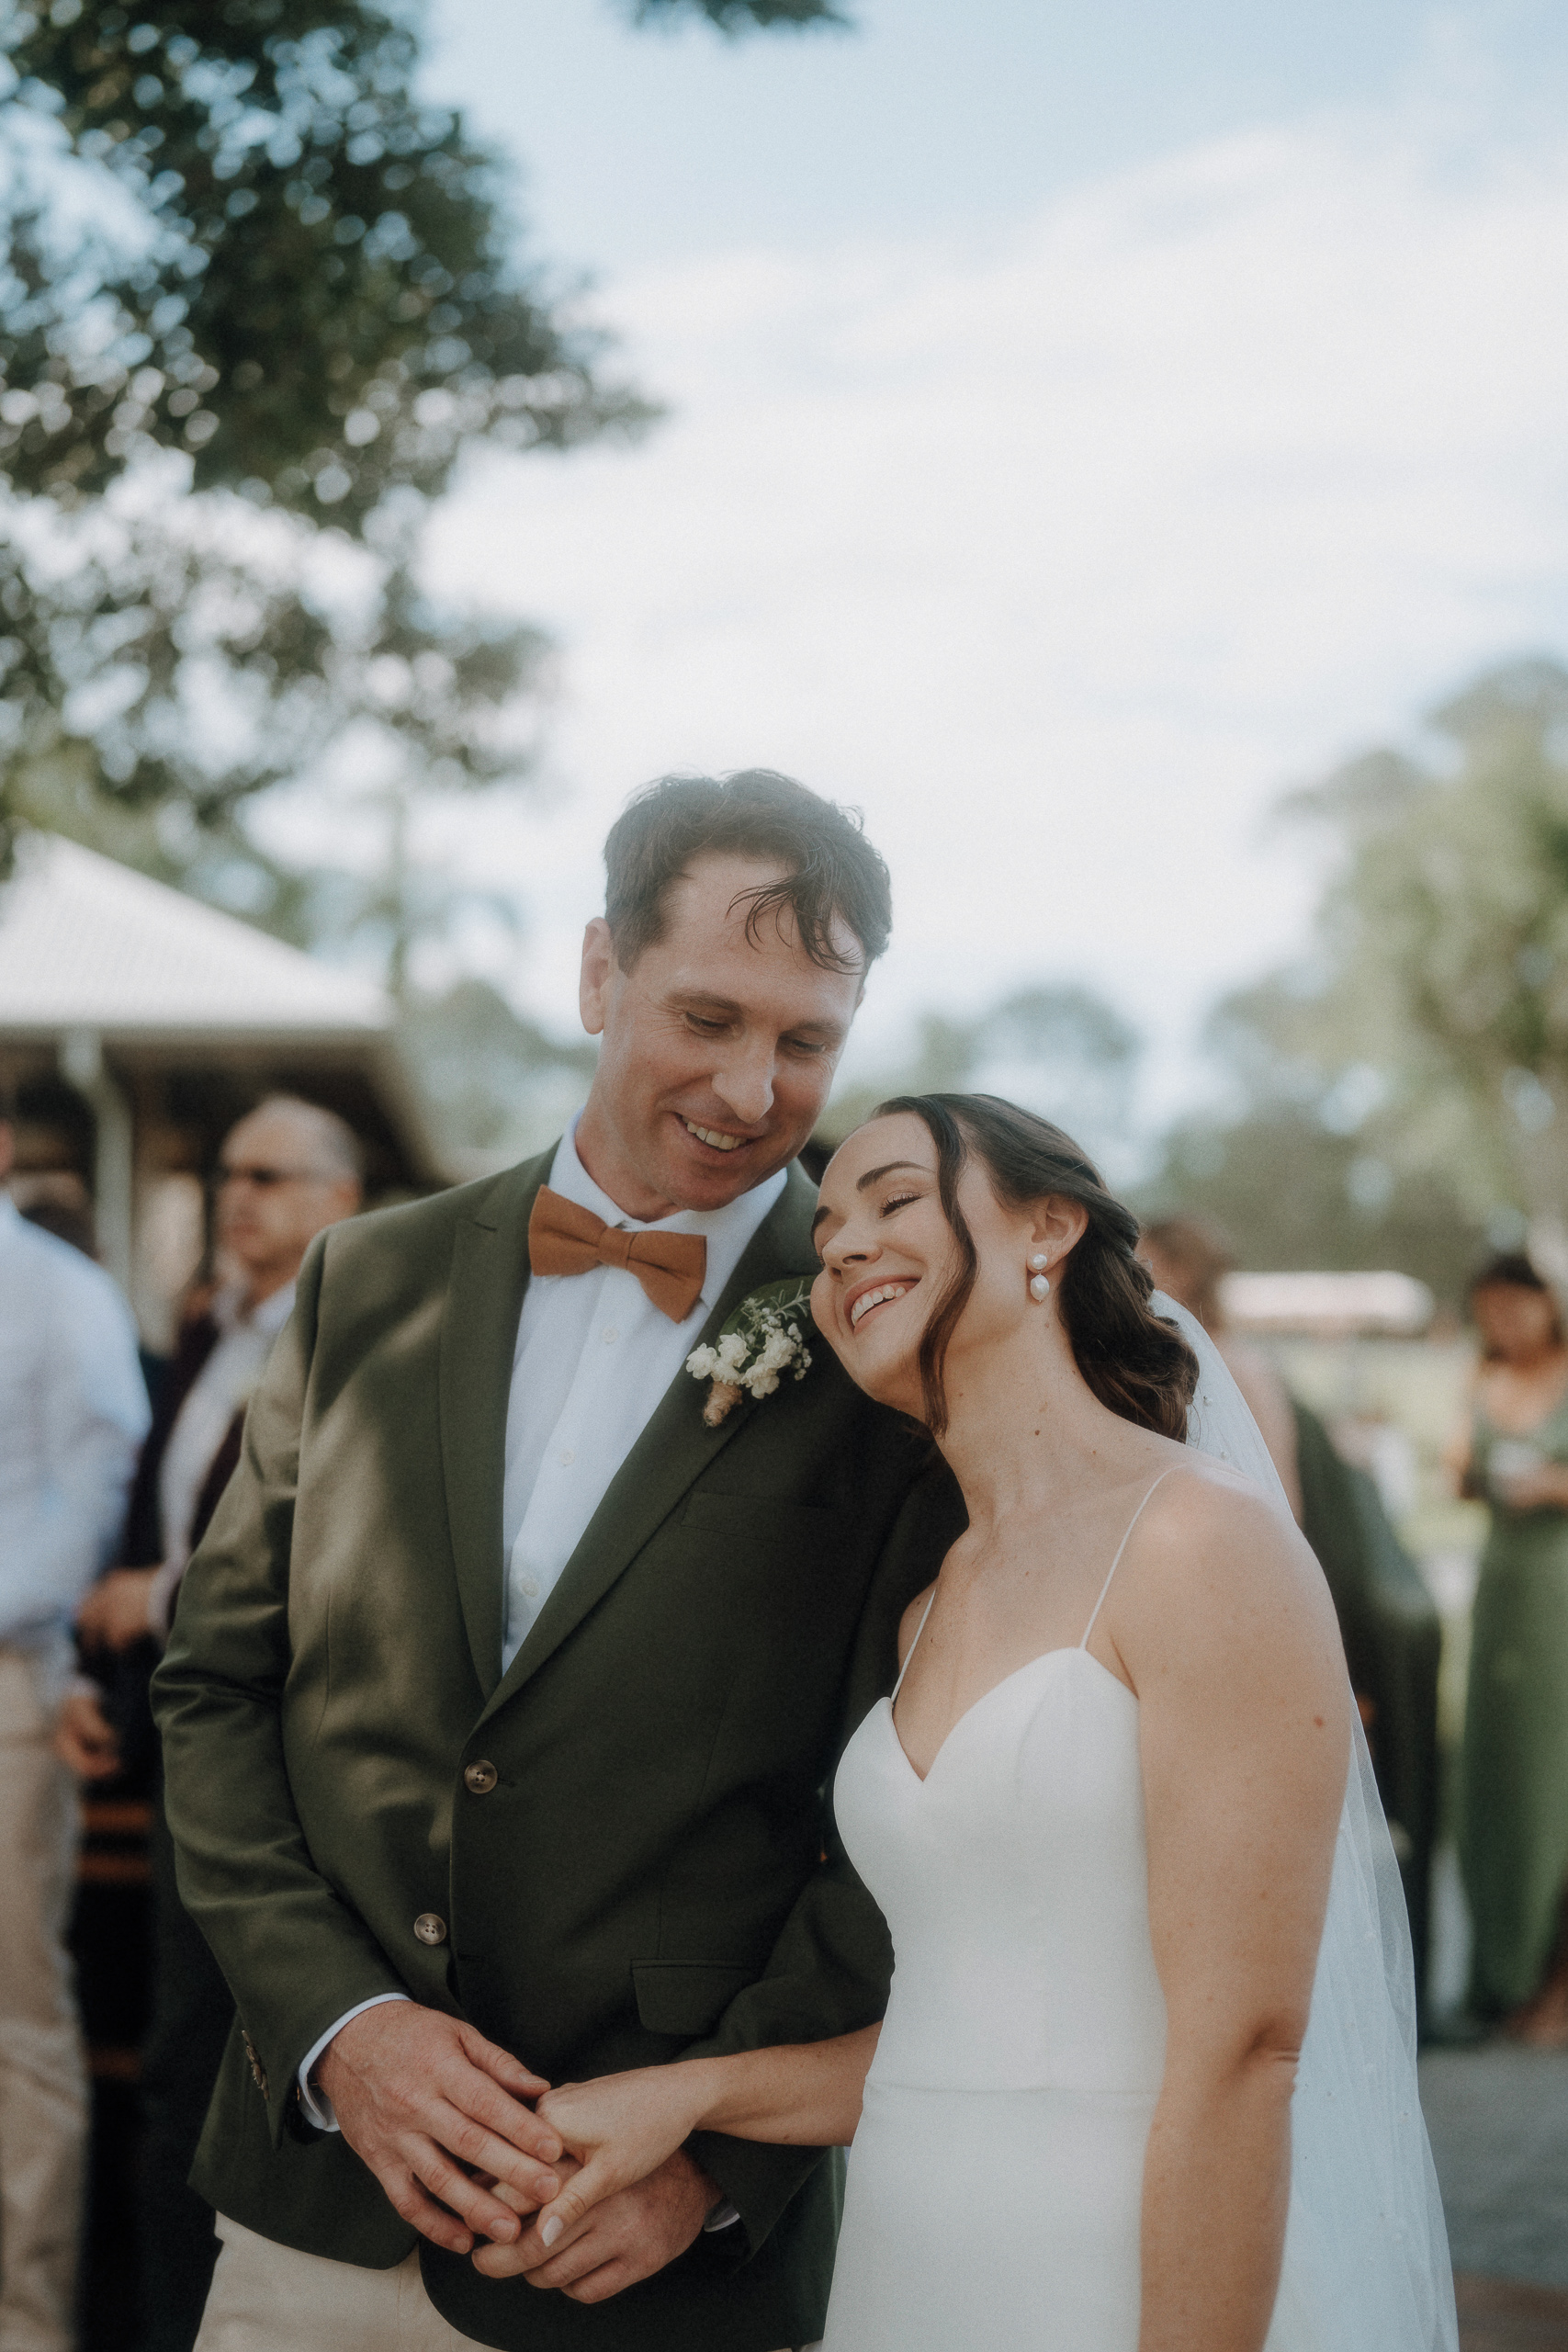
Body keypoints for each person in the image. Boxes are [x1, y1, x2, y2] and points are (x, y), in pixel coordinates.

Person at [152, 771, 964, 2352]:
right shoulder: (362, 1281)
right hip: (313, 2205)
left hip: (650, 2263)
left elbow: (914, 1817)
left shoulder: (895, 1346)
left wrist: (719, 2169)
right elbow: (216, 1691)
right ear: (598, 973)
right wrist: (346, 2028)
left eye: (805, 1041)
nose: (750, 1090)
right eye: (707, 1016)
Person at [510, 1097, 1458, 2352]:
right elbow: (974, 2033)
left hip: (1128, 2281)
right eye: (828, 1225)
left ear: (1048, 1227)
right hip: (911, 2271)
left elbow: (1243, 2056)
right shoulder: (926, 1610)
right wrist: (690, 2092)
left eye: (893, 1200)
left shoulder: (1197, 1542)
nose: (842, 1243)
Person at [57, 1097, 365, 2352]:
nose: (240, 1196)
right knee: (173, 2071)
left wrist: (161, 1599)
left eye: (271, 1175)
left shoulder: (364, 1334)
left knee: (233, 2075)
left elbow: (330, 1553)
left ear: (339, 1199)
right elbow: (158, 1521)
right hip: (171, 1737)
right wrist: (102, 1690)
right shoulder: (209, 1333)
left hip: (290, 1761)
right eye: (226, 1173)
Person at [0, 1111, 150, 2352]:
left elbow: (89, 1489)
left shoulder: (60, 1295)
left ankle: (28, 2322)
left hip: (6, 1683)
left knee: (13, 2027)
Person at [1453, 1251, 1568, 2044]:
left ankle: (1551, 1988)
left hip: (1559, 1584)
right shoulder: (1478, 1381)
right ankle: (1500, 1975)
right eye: (1488, 1310)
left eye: (1515, 1308)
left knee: (1551, 1782)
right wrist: (1473, 1477)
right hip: (1501, 1589)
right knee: (1497, 1778)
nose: (1503, 1325)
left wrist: (1549, 1486)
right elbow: (1457, 1473)